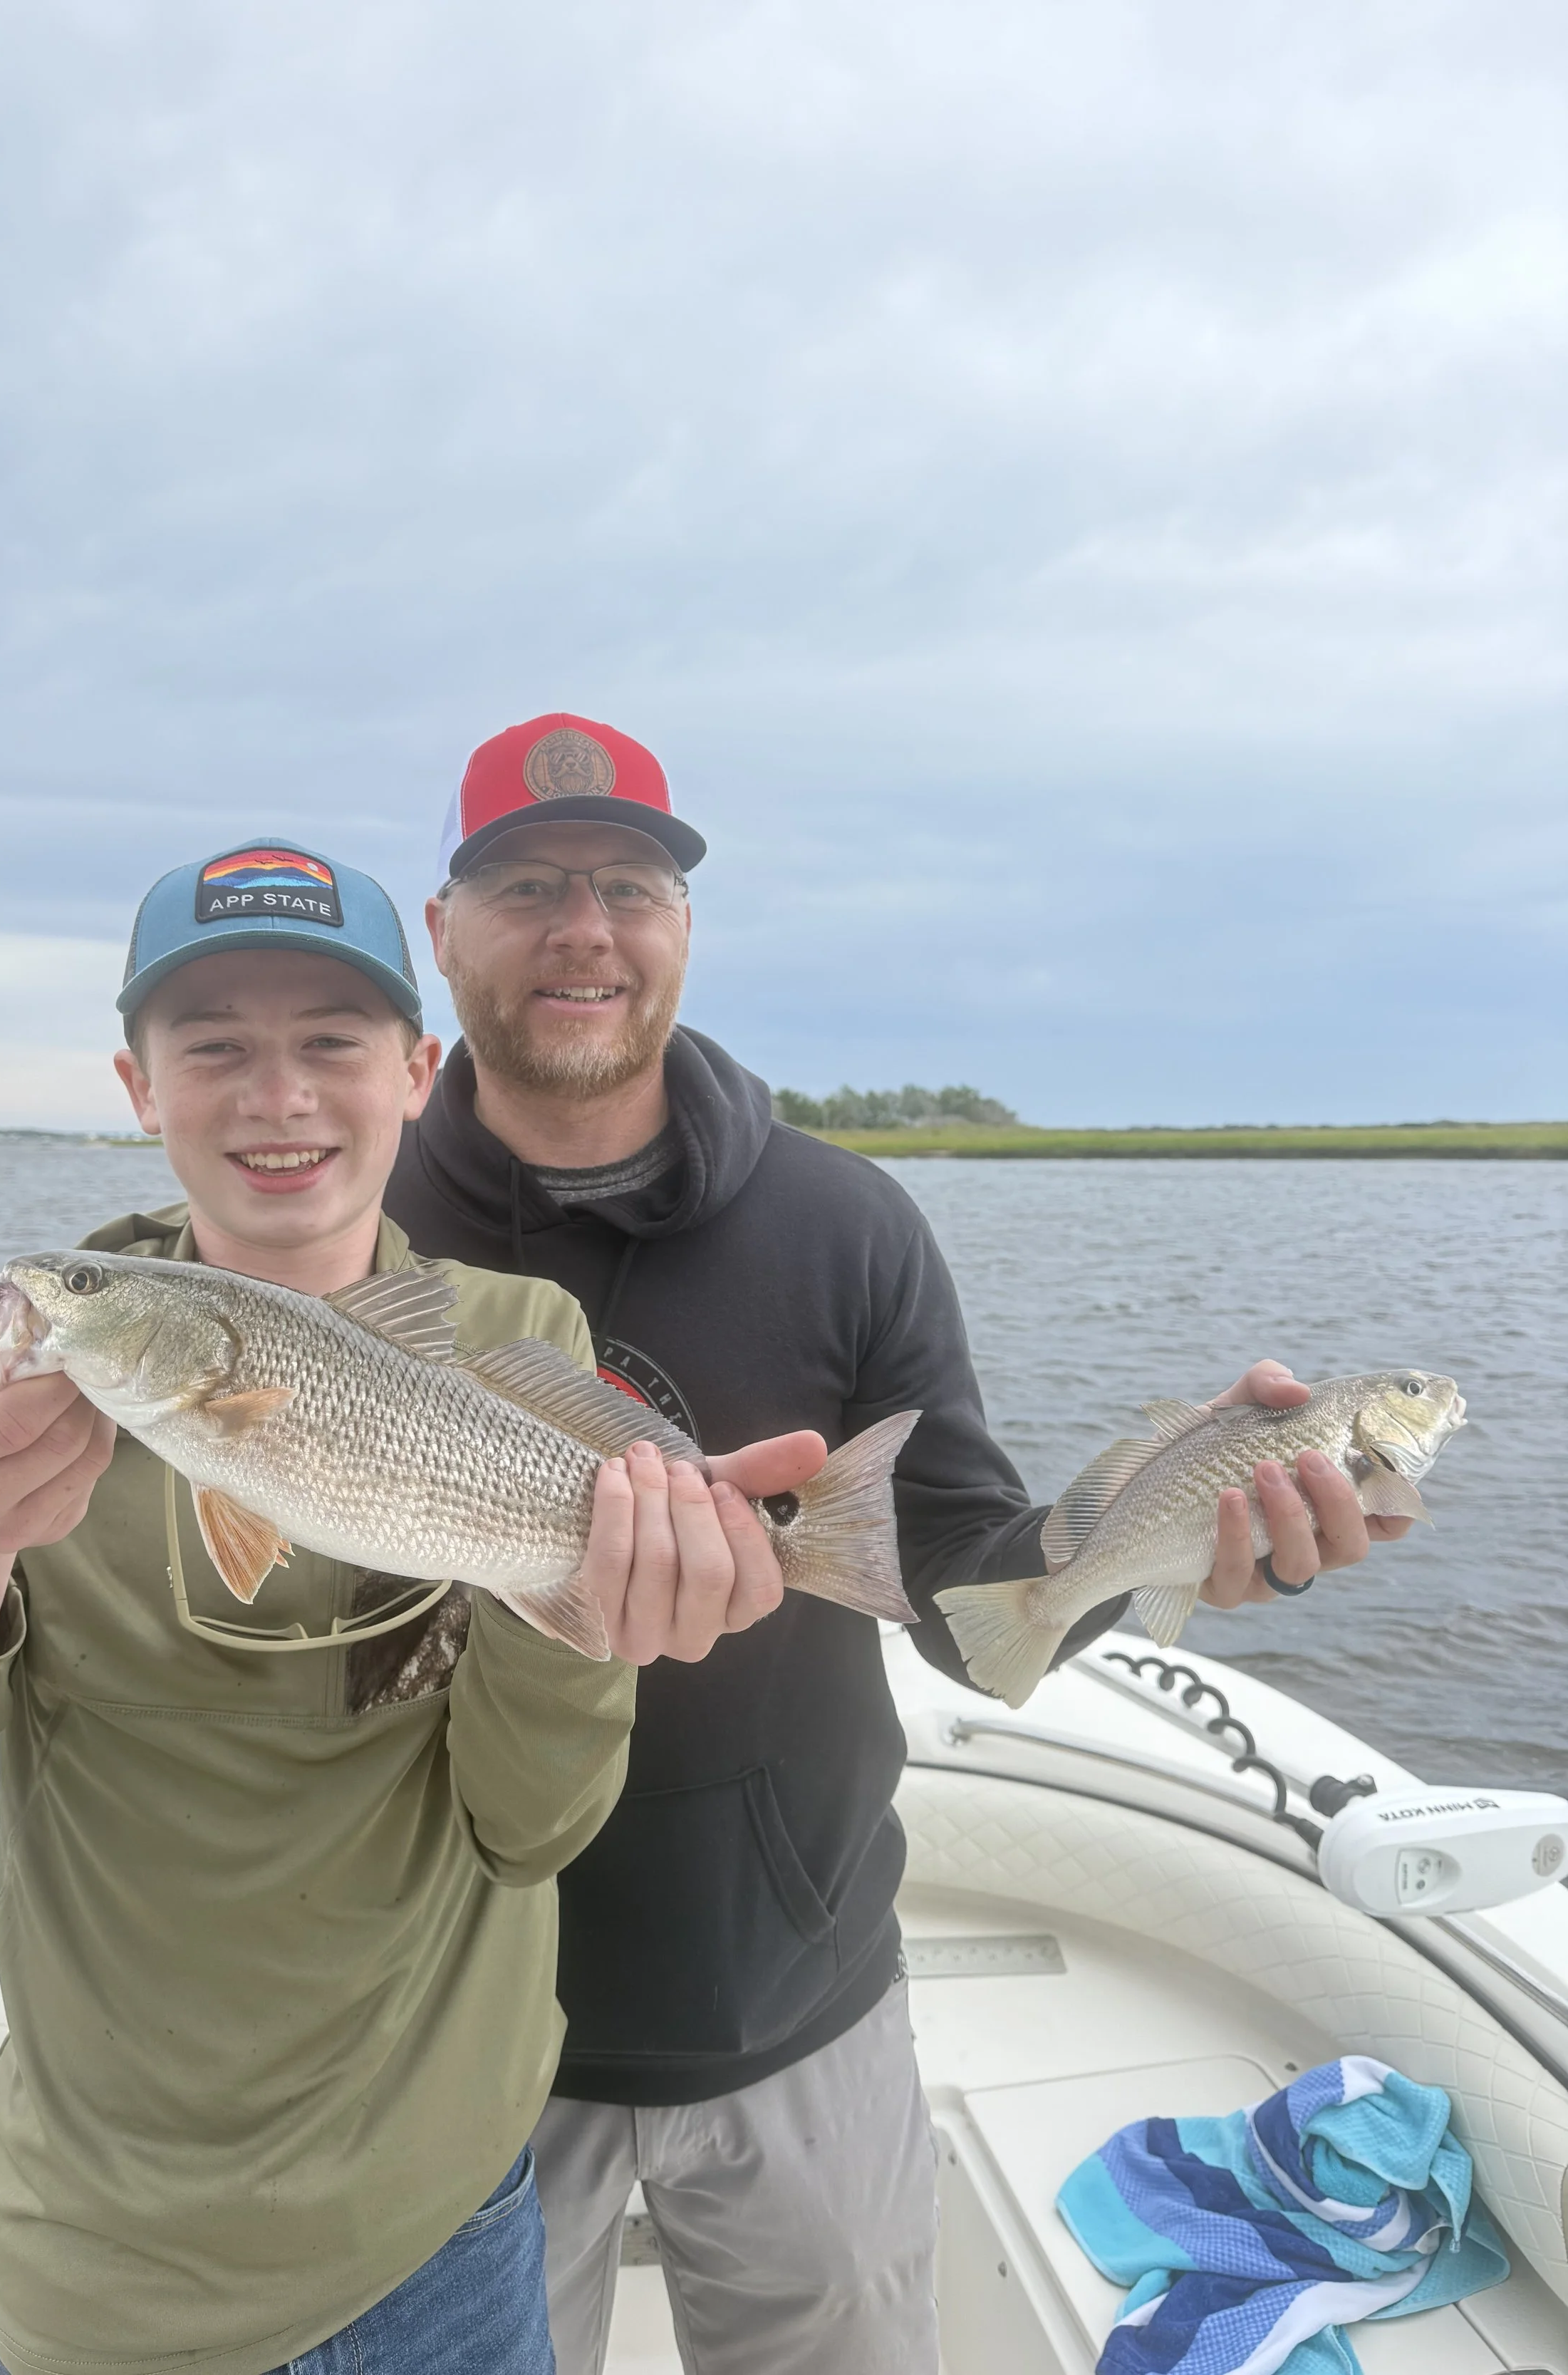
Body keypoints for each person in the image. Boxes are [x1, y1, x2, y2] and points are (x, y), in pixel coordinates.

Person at [384, 713, 1415, 2375]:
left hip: (796, 2001)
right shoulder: (359, 1243)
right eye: (525, 883)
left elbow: (960, 1601)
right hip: (453, 2019)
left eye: (629, 883)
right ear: (444, 931)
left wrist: (1168, 1528)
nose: (583, 927)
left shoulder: (844, 1225)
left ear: (683, 927)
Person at [0, 839, 829, 2375]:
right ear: (139, 1085)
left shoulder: (514, 1338)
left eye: (330, 1044)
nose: (276, 1097)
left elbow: (527, 1830)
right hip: (106, 2282)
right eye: (213, 1046)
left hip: (448, 2237)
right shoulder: (16, 1405)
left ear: (416, 1072)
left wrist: (595, 1616)